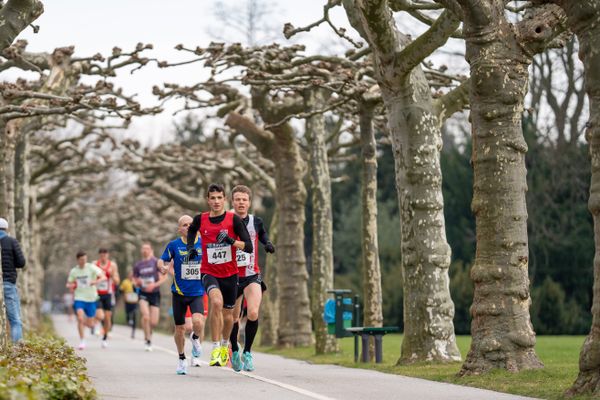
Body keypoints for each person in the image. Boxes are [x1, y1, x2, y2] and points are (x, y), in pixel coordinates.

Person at [187, 183, 253, 367]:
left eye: (219, 198)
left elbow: (248, 246)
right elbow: (192, 230)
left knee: (230, 316)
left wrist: (231, 241)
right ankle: (215, 347)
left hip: (231, 274)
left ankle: (225, 346)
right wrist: (191, 247)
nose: (216, 201)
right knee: (216, 302)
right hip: (209, 272)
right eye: (212, 198)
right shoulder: (201, 219)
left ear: (224, 199)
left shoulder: (233, 220)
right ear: (208, 200)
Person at [229, 185, 275, 371]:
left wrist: (268, 243)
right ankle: (234, 349)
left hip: (251, 274)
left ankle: (247, 352)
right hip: (231, 276)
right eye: (238, 199)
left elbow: (262, 234)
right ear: (233, 202)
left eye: (244, 199)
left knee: (253, 312)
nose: (241, 202)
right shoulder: (227, 221)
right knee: (233, 317)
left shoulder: (256, 221)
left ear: (249, 202)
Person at [158, 215, 205, 375]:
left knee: (198, 322)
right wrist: (162, 267)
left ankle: (196, 337)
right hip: (178, 293)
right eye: (184, 225)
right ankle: (181, 358)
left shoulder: (203, 243)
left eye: (191, 224)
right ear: (180, 229)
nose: (188, 227)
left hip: (197, 292)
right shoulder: (174, 245)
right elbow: (161, 260)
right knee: (179, 328)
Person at [66, 250, 106, 350]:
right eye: (81, 260)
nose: (83, 261)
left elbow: (103, 277)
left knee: (90, 324)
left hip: (91, 298)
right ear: (77, 260)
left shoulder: (91, 267)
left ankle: (91, 325)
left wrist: (95, 281)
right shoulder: (74, 271)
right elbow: (69, 283)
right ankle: (82, 341)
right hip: (79, 298)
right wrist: (71, 285)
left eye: (85, 259)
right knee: (79, 318)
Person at [133, 242, 167, 351]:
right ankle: (147, 340)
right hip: (143, 293)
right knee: (146, 316)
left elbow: (164, 278)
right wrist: (136, 282)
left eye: (147, 248)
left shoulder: (156, 262)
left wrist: (154, 285)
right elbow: (134, 279)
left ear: (151, 250)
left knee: (153, 322)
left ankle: (148, 332)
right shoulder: (138, 265)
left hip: (155, 293)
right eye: (143, 249)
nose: (144, 250)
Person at [0, 217, 26, 342]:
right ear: (6, 229)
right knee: (15, 319)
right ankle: (16, 350)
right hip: (7, 283)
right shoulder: (11, 241)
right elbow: (21, 262)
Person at [94, 248, 120, 348]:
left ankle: (104, 337)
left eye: (105, 255)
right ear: (99, 255)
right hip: (97, 293)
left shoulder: (112, 265)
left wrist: (111, 274)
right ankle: (99, 325)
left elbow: (117, 281)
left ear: (107, 255)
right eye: (101, 255)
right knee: (100, 315)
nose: (103, 257)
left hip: (108, 294)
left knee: (108, 316)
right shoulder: (94, 265)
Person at [119, 270, 139, 338]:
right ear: (128, 275)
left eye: (132, 275)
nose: (131, 276)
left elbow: (139, 289)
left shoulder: (136, 281)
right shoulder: (125, 282)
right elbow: (121, 290)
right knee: (127, 313)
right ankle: (128, 320)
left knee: (134, 314)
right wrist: (124, 295)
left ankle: (133, 331)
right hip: (128, 300)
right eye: (130, 275)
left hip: (135, 300)